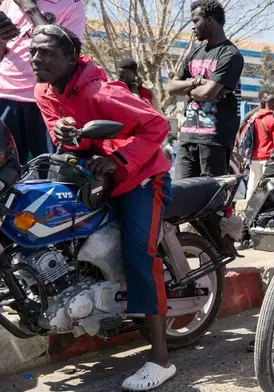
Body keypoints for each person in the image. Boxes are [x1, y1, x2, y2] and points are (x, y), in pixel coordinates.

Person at [30, 25, 174, 390]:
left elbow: (157, 125)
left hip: (139, 176)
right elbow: (63, 134)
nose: (36, 58)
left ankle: (160, 359)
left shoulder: (102, 92)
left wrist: (118, 159)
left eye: (46, 52)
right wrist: (64, 131)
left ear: (70, 58)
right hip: (93, 177)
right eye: (33, 51)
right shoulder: (44, 90)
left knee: (140, 255)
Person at [0, 0, 84, 169]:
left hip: (45, 100)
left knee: (49, 170)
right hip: (4, 96)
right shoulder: (10, 2)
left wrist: (31, 10)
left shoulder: (73, 4)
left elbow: (69, 51)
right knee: (5, 173)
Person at [167, 0, 244, 179]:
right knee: (181, 197)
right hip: (186, 138)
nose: (193, 27)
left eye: (196, 21)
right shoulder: (194, 53)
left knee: (209, 200)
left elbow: (207, 93)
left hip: (214, 141)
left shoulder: (230, 54)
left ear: (210, 20)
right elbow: (171, 87)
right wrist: (196, 83)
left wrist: (187, 87)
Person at [245, 94, 274, 199]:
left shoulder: (254, 117)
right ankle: (261, 206)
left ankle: (248, 204)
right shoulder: (273, 119)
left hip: (254, 156)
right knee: (265, 184)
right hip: (267, 157)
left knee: (252, 182)